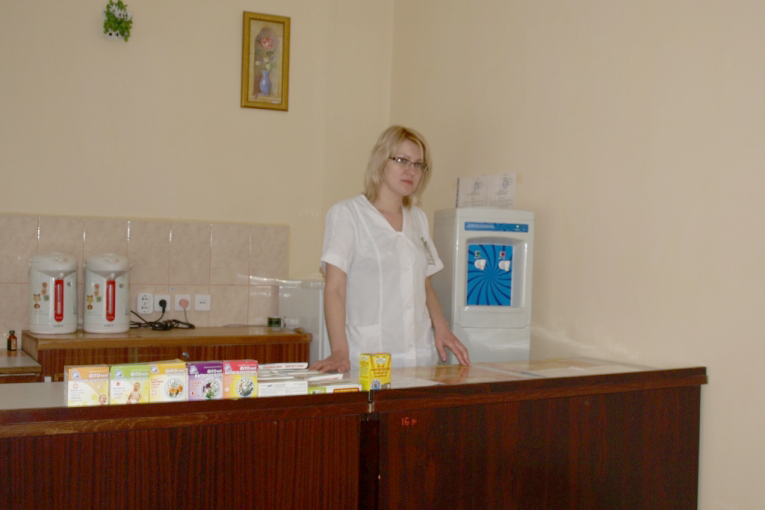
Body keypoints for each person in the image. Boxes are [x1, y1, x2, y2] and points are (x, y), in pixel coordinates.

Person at [311, 126, 471, 373]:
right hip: (369, 357)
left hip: (420, 356)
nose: (411, 171)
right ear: (380, 161)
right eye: (402, 160)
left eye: (418, 165)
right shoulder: (348, 214)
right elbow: (335, 289)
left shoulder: (418, 218)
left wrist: (442, 328)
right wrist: (339, 350)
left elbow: (425, 286)